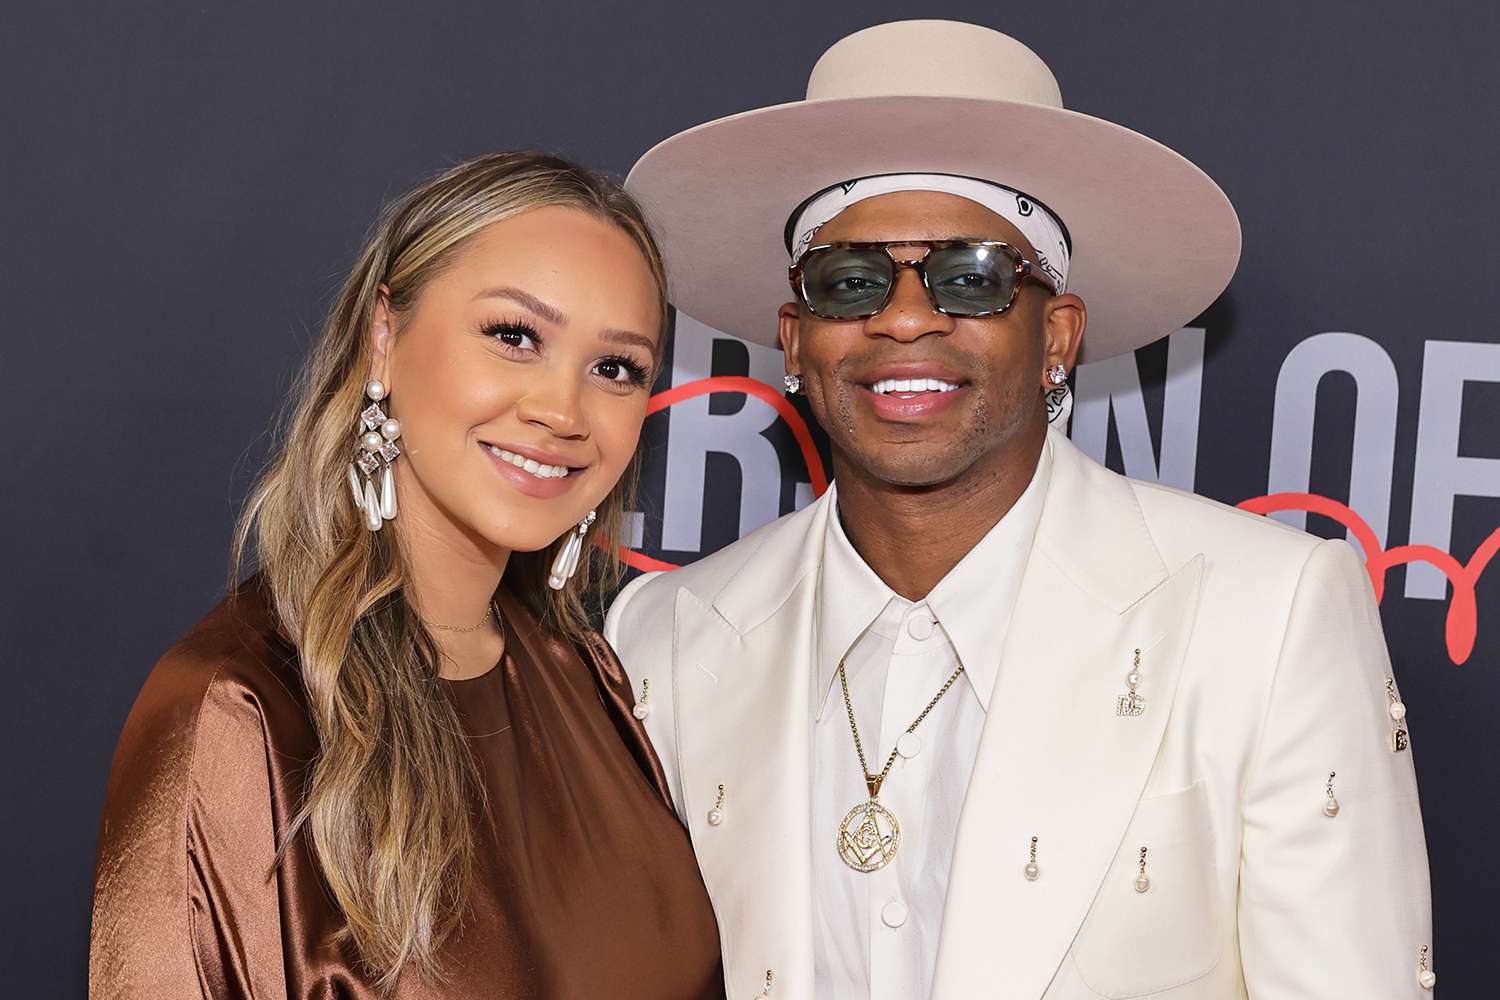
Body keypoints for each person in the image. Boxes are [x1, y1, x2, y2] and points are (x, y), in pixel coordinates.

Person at [607, 20, 1434, 1000]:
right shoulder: (664, 632)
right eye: (850, 281)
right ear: (795, 340)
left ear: (1058, 337)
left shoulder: (1266, 611)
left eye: (970, 277)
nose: (906, 317)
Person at [89, 151, 724, 999]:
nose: (563, 412)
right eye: (514, 337)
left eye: (616, 368)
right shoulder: (241, 713)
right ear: (384, 339)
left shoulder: (589, 683)